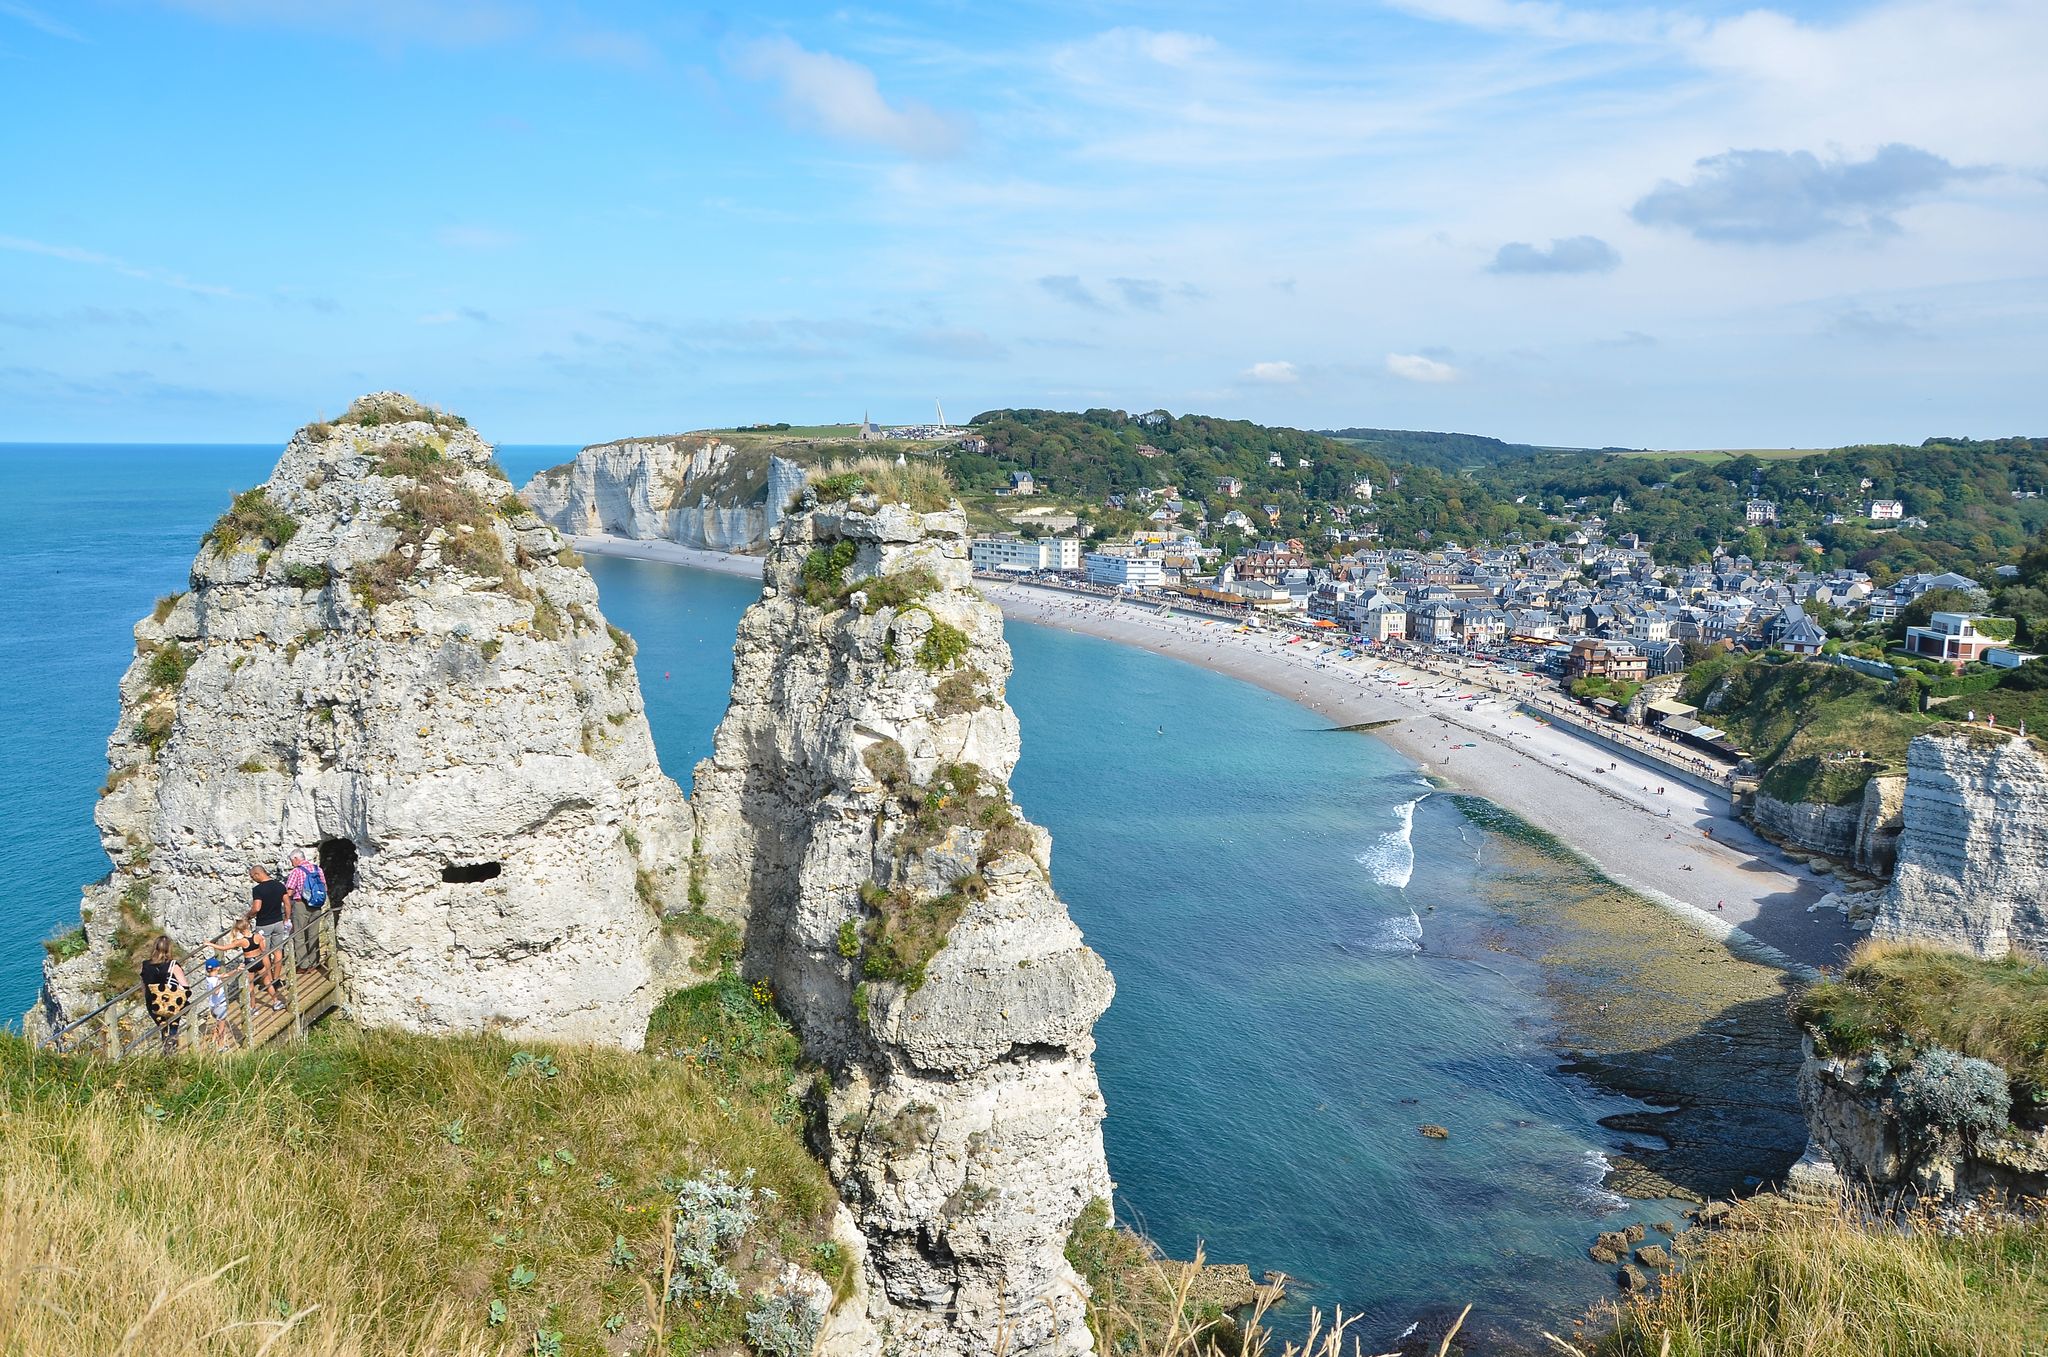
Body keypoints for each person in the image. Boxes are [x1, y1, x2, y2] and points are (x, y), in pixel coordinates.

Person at [213, 915, 283, 1011]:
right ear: (249, 926)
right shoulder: (258, 936)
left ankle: (253, 1007)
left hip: (249, 963)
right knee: (267, 982)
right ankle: (276, 1002)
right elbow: (263, 950)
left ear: (240, 930)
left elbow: (224, 948)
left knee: (250, 986)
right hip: (259, 961)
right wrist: (263, 941)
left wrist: (210, 944)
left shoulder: (241, 941)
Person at [138, 935, 189, 1056]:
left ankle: (166, 1052)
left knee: (163, 1027)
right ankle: (171, 1054)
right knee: (172, 1028)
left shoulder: (145, 965)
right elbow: (185, 986)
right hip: (170, 1002)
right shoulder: (172, 965)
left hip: (153, 1003)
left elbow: (144, 986)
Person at [248, 865, 291, 996]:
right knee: (278, 951)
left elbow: (256, 908)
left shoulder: (258, 889)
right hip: (278, 922)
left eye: (252, 877)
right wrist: (287, 918)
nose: (253, 879)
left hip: (264, 924)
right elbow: (287, 903)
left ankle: (269, 980)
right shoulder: (279, 885)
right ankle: (276, 980)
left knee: (264, 953)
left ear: (257, 874)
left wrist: (248, 916)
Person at [284, 852, 328, 968]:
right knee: (313, 934)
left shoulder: (296, 871)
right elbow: (324, 887)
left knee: (299, 935)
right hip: (316, 905)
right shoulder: (318, 869)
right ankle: (314, 962)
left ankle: (303, 965)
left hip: (301, 904)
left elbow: (290, 891)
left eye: (292, 861)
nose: (292, 863)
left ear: (296, 858)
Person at [200, 954, 238, 1050]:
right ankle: (221, 1046)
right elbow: (216, 992)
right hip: (220, 1006)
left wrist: (236, 970)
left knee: (218, 1024)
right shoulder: (215, 980)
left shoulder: (209, 978)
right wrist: (218, 982)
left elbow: (225, 975)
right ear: (218, 968)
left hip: (213, 1006)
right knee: (222, 1028)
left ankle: (213, 1041)